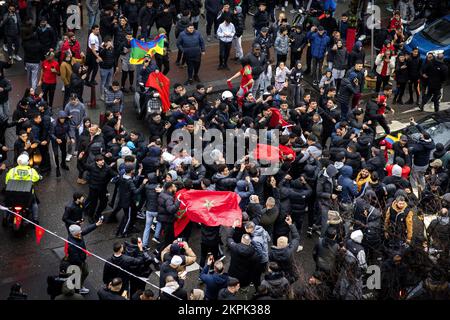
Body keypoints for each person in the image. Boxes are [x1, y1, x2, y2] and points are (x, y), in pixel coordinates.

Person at [66, 219, 103, 295]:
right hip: (78, 263)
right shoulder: (72, 245)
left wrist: (96, 225)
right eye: (79, 231)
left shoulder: (77, 235)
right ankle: (78, 288)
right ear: (75, 233)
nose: (81, 232)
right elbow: (75, 258)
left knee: (85, 272)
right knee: (79, 274)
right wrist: (82, 261)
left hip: (81, 260)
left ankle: (79, 285)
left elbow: (86, 230)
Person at [5, 153, 41, 223]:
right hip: (27, 195)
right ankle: (35, 220)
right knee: (34, 203)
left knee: (7, 203)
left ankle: (5, 218)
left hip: (13, 194)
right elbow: (36, 179)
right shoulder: (31, 171)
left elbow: (7, 182)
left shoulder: (12, 171)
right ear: (27, 162)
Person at [84, 154, 116, 223]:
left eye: (103, 160)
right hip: (93, 188)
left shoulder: (107, 168)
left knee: (104, 203)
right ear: (96, 162)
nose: (102, 162)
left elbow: (114, 174)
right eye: (100, 160)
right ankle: (90, 216)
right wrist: (80, 159)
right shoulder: (92, 166)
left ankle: (97, 214)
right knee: (93, 203)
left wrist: (120, 176)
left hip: (102, 189)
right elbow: (84, 166)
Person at [157, 182, 181, 251]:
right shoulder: (169, 198)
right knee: (166, 240)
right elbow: (171, 210)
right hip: (168, 220)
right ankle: (159, 255)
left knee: (164, 237)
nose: (175, 188)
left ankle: (158, 251)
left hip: (163, 219)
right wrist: (178, 201)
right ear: (170, 188)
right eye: (174, 187)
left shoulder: (162, 194)